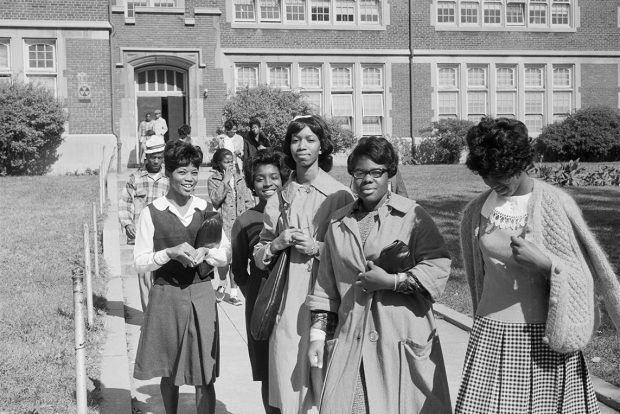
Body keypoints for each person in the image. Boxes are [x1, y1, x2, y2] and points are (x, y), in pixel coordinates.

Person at [456, 117, 620, 413]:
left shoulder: (555, 204)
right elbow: (479, 276)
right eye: (486, 175)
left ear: (521, 163)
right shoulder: (476, 211)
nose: (493, 182)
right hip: (490, 333)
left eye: (501, 173)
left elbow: (584, 279)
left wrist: (546, 264)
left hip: (545, 338)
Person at [306, 136, 452, 414]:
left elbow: (438, 266)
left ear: (390, 174)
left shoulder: (412, 215)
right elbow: (326, 288)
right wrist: (317, 335)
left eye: (376, 172)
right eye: (359, 173)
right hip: (352, 340)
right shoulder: (337, 223)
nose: (367, 180)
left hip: (399, 340)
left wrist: (393, 282)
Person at [253, 114, 354, 414]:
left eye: (310, 139)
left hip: (327, 299)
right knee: (287, 382)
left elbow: (353, 255)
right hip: (287, 301)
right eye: (296, 140)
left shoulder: (339, 195)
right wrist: (276, 243)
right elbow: (259, 255)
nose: (302, 146)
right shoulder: (281, 196)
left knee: (326, 382)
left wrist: (318, 247)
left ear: (322, 146)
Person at [133, 140, 231, 414]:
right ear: (168, 173)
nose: (190, 178)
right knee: (170, 366)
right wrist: (169, 253)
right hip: (166, 294)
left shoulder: (207, 211)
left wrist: (207, 254)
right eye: (182, 172)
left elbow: (225, 253)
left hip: (201, 293)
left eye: (194, 171)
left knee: (205, 371)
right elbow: (140, 263)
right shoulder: (152, 213)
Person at [231, 149, 288, 414]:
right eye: (260, 178)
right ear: (251, 184)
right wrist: (258, 294)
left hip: (294, 299)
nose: (268, 184)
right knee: (267, 372)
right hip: (260, 301)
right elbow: (239, 271)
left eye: (274, 176)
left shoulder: (296, 214)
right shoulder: (245, 221)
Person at [119, 134, 168, 311]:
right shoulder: (135, 179)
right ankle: (148, 316)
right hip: (142, 235)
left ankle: (161, 314)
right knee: (145, 275)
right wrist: (127, 223)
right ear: (146, 157)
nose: (156, 161)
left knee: (163, 275)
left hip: (164, 234)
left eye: (159, 157)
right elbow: (125, 202)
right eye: (152, 157)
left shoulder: (168, 179)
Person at [208, 148, 254, 306]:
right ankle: (222, 284)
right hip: (224, 225)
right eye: (226, 161)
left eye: (232, 161)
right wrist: (225, 181)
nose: (230, 164)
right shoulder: (214, 179)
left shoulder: (240, 178)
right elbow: (215, 200)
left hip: (240, 225)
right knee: (224, 259)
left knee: (237, 260)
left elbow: (248, 199)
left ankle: (234, 293)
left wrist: (249, 219)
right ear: (218, 163)